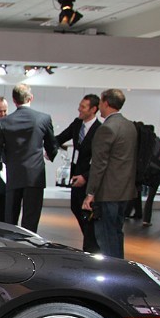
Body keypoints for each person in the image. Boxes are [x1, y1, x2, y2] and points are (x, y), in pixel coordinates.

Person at [0, 83, 58, 232]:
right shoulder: (43, 119)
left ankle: (10, 245)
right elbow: (52, 144)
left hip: (14, 174)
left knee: (10, 221)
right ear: (31, 98)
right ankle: (29, 244)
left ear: (14, 100)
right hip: (35, 176)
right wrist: (50, 154)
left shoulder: (4, 122)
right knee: (31, 220)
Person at [82, 89, 138, 259]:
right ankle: (120, 266)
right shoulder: (130, 126)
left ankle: (113, 269)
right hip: (125, 191)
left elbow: (99, 164)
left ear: (105, 103)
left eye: (100, 102)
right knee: (116, 232)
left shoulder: (106, 128)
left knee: (106, 236)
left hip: (107, 192)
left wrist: (90, 193)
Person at [55, 94, 102, 252]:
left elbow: (100, 160)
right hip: (76, 178)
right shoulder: (77, 124)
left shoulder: (99, 130)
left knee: (88, 216)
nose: (79, 109)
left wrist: (86, 177)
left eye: (83, 107)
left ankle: (91, 250)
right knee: (76, 208)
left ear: (93, 109)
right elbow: (60, 138)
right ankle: (90, 247)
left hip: (90, 179)